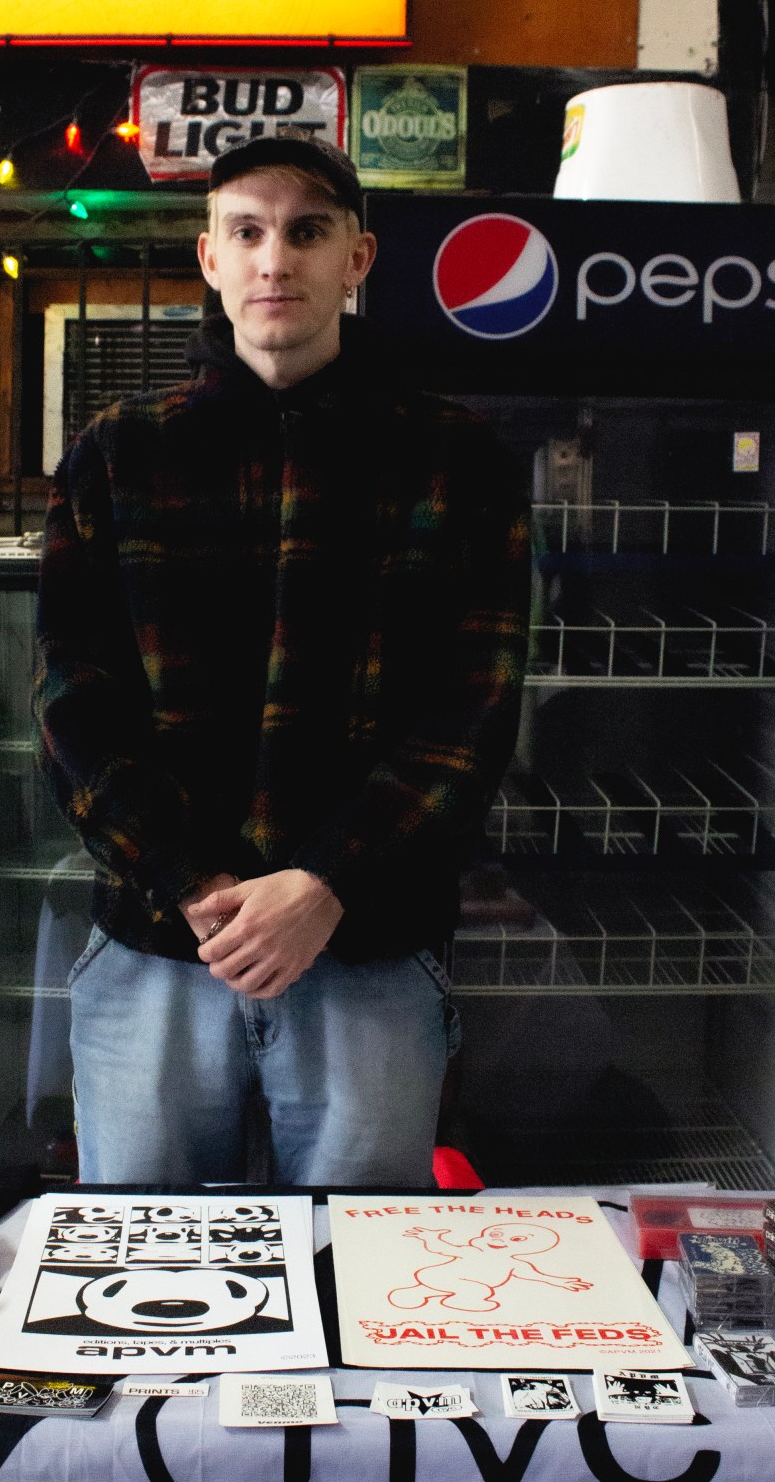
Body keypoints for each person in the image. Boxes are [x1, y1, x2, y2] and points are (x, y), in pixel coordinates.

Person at [33, 137, 529, 1187]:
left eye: (306, 231)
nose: (274, 260)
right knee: (139, 1281)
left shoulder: (458, 459)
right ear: (207, 257)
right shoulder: (118, 454)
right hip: (161, 944)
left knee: (361, 1281)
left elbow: (471, 710)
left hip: (370, 949)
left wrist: (325, 881)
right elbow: (75, 704)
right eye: (246, 231)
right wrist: (187, 877)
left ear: (358, 257)